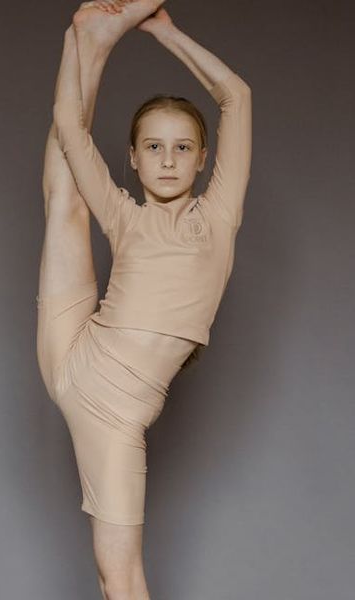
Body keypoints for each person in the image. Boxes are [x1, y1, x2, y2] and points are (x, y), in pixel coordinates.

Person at [36, 1, 251, 598]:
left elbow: (236, 95)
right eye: (153, 147)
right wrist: (77, 40)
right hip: (77, 345)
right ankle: (95, 34)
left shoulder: (218, 218)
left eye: (183, 148)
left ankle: (100, 33)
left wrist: (164, 31)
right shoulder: (125, 216)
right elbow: (69, 126)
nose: (168, 159)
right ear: (132, 159)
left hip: (115, 414)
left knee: (120, 579)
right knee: (64, 199)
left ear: (204, 158)